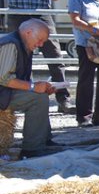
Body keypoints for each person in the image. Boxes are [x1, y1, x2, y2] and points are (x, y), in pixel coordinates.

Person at [1, 0, 70, 113]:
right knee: (18, 57)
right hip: (18, 14)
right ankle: (24, 96)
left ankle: (63, 98)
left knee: (54, 55)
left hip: (41, 14)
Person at [0, 18, 60, 157]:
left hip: (5, 92)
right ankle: (31, 149)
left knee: (40, 95)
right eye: (39, 40)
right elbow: (3, 77)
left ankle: (43, 140)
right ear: (28, 32)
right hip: (3, 92)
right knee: (37, 99)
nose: (40, 44)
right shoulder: (11, 44)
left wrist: (40, 87)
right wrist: (33, 87)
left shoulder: (23, 44)